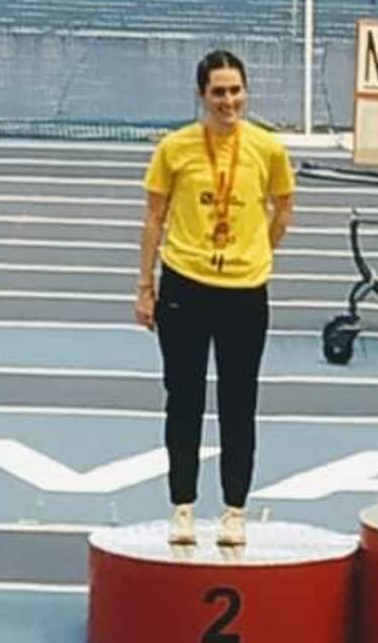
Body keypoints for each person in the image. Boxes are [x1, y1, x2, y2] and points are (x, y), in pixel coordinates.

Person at [135, 50, 295, 547]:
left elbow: (283, 208)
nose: (229, 101)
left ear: (246, 92)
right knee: (183, 400)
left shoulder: (268, 148)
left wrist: (257, 251)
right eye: (219, 92)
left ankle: (234, 510)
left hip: (244, 292)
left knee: (238, 403)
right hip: (184, 285)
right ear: (201, 95)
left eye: (235, 91)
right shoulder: (174, 148)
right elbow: (154, 219)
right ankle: (182, 505)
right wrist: (145, 286)